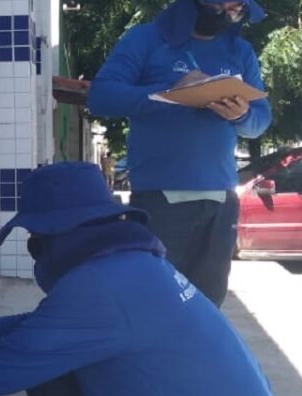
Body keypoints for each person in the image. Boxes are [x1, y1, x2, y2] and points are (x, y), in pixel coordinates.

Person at [0, 162, 281, 396]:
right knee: (50, 362)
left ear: (59, 232)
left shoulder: (104, 285)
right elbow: (38, 331)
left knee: (43, 370)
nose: (35, 250)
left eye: (35, 239)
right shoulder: (131, 267)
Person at [87, 0, 272, 307]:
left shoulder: (240, 51)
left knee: (208, 306)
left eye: (237, 10)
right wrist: (170, 93)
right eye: (222, 7)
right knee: (156, 301)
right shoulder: (145, 39)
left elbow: (260, 122)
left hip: (221, 200)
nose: (229, 16)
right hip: (160, 198)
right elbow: (101, 97)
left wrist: (241, 115)